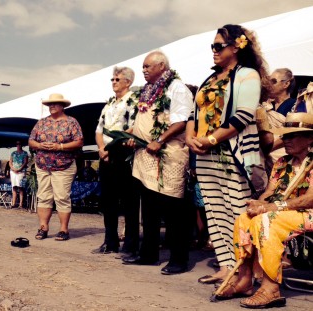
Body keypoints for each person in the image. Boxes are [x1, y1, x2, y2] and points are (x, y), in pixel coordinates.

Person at [185, 24, 269, 283]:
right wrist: (190, 139)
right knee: (214, 210)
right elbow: (193, 113)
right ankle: (226, 266)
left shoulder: (248, 75)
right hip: (206, 154)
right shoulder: (210, 79)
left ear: (237, 47)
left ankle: (247, 272)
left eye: (218, 46)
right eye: (213, 46)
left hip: (235, 154)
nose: (214, 50)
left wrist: (210, 139)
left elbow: (243, 115)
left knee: (237, 211)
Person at [213, 112, 313, 308]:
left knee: (266, 221)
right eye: (284, 136)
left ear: (310, 138)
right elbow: (269, 193)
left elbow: (311, 198)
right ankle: (245, 280)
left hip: (308, 213)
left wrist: (274, 207)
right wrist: (259, 205)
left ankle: (270, 287)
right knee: (245, 218)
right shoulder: (282, 163)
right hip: (285, 212)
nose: (285, 140)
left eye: (292, 135)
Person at [122, 51, 193, 276]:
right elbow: (143, 120)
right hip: (145, 156)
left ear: (162, 66)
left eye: (147, 66)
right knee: (149, 209)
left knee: (173, 211)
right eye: (143, 66)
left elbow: (181, 120)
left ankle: (179, 259)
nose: (143, 70)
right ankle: (148, 254)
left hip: (169, 155)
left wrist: (159, 140)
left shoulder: (176, 88)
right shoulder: (146, 91)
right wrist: (132, 135)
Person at [93, 66, 139, 255]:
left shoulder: (134, 101)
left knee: (129, 202)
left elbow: (135, 126)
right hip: (106, 155)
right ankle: (110, 241)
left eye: (117, 79)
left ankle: (130, 244)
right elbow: (99, 130)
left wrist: (113, 144)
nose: (113, 82)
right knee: (108, 201)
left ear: (128, 82)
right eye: (112, 79)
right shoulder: (109, 104)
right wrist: (102, 149)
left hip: (123, 153)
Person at [28, 93, 83, 241]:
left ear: (62, 106)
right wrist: (39, 145)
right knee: (44, 197)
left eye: (55, 104)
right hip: (42, 165)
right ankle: (43, 227)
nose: (51, 106)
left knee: (62, 197)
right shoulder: (41, 123)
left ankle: (63, 230)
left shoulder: (71, 122)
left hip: (63, 166)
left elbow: (79, 142)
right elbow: (31, 141)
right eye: (50, 104)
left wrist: (60, 146)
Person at [9, 141, 29, 208]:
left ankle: (20, 204)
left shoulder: (25, 153)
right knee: (14, 187)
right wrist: (13, 168)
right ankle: (13, 203)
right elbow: (10, 162)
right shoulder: (13, 153)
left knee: (20, 187)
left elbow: (25, 162)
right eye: (17, 144)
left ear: (21, 145)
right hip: (13, 172)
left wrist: (19, 169)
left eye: (19, 144)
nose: (18, 145)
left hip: (21, 171)